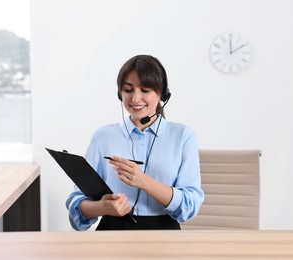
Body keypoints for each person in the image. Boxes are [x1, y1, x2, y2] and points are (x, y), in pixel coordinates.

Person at [66, 54, 204, 230]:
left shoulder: (183, 135)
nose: (135, 98)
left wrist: (143, 181)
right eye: (128, 90)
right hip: (113, 231)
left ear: (162, 93)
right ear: (119, 93)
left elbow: (190, 206)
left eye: (145, 90)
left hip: (164, 232)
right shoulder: (103, 136)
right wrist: (101, 207)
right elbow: (76, 203)